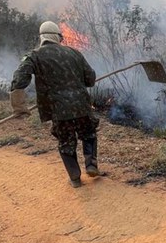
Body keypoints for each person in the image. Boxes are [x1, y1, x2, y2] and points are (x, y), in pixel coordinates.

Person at [9, 21, 100, 188]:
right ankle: (91, 165)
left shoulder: (33, 56)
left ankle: (75, 177)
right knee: (88, 134)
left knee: (66, 141)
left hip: (58, 110)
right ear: (58, 36)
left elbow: (19, 80)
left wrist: (19, 107)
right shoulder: (75, 53)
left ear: (42, 37)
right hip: (81, 105)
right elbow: (91, 79)